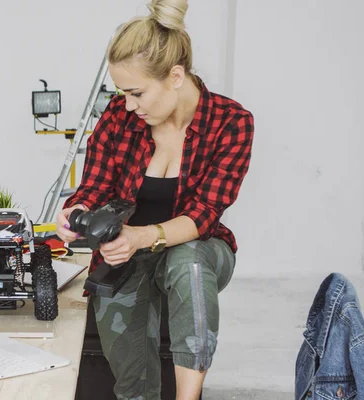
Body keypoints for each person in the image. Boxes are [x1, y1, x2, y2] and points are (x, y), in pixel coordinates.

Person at [56, 0, 255, 399]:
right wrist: (77, 211)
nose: (129, 104)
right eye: (122, 93)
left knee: (188, 263)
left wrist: (140, 236)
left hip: (199, 247)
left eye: (137, 93)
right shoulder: (119, 115)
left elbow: (204, 214)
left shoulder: (231, 123)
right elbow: (93, 187)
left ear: (175, 77)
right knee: (132, 381)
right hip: (126, 255)